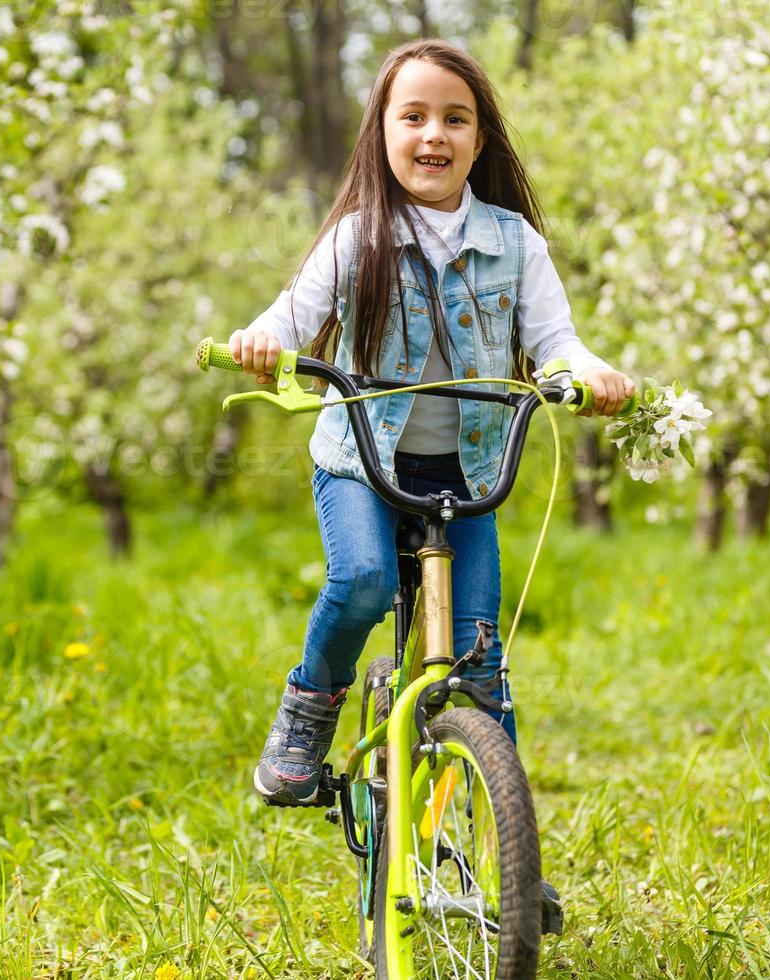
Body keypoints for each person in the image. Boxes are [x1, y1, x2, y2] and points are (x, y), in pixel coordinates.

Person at [230, 39, 635, 809]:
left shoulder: (514, 243)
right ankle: (308, 711)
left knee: (480, 661)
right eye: (412, 116)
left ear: (479, 140)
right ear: (382, 132)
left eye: (455, 119)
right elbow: (290, 316)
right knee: (363, 581)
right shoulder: (359, 236)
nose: (433, 135)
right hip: (362, 463)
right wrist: (263, 342)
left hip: (466, 475)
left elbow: (556, 342)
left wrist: (586, 372)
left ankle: (507, 850)